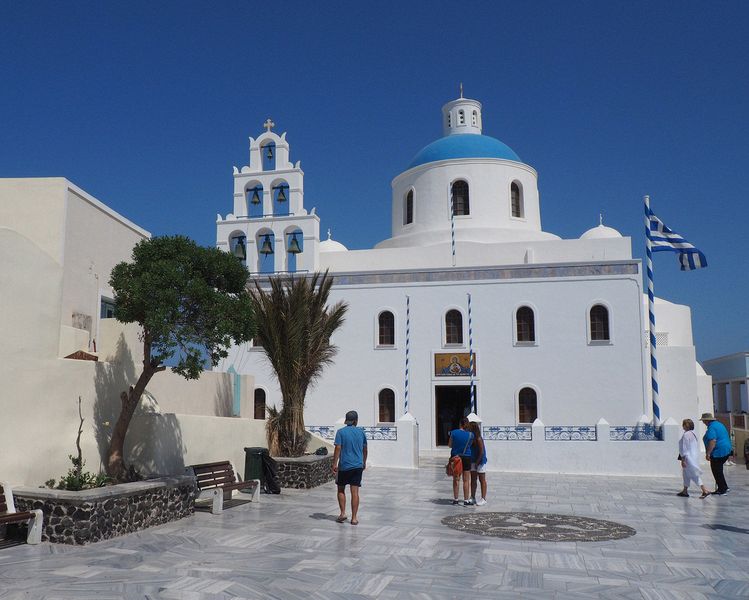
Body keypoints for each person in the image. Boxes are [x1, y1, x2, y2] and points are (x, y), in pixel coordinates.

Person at [333, 410, 367, 525]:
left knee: (341, 489)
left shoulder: (340, 432)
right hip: (357, 466)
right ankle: (354, 518)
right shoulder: (361, 433)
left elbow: (338, 448)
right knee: (355, 492)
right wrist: (364, 462)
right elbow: (365, 449)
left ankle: (342, 513)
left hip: (344, 466)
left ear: (347, 421)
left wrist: (334, 463)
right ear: (356, 421)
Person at [677, 418, 710, 499]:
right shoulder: (693, 434)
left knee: (693, 474)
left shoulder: (686, 435)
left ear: (686, 425)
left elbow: (685, 448)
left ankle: (704, 490)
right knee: (686, 474)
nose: (682, 426)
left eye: (683, 424)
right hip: (693, 457)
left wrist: (683, 460)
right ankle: (685, 491)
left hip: (688, 458)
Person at [700, 412, 732, 495]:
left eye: (703, 421)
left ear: (707, 421)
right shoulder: (718, 424)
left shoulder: (712, 427)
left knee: (716, 470)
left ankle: (722, 489)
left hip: (719, 451)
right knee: (718, 470)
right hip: (726, 449)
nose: (703, 423)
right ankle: (723, 487)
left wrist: (708, 453)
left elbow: (712, 441)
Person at [448, 416, 474, 506]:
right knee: (466, 480)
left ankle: (456, 499)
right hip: (467, 457)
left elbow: (450, 445)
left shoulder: (453, 432)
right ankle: (466, 500)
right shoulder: (471, 435)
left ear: (460, 423)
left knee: (456, 479)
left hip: (456, 457)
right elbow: (470, 445)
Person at [467, 421, 488, 505]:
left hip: (480, 461)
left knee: (482, 479)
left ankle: (483, 498)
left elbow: (481, 452)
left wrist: (477, 462)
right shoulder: (471, 438)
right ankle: (472, 497)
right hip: (472, 461)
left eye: (469, 427)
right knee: (473, 479)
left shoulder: (478, 438)